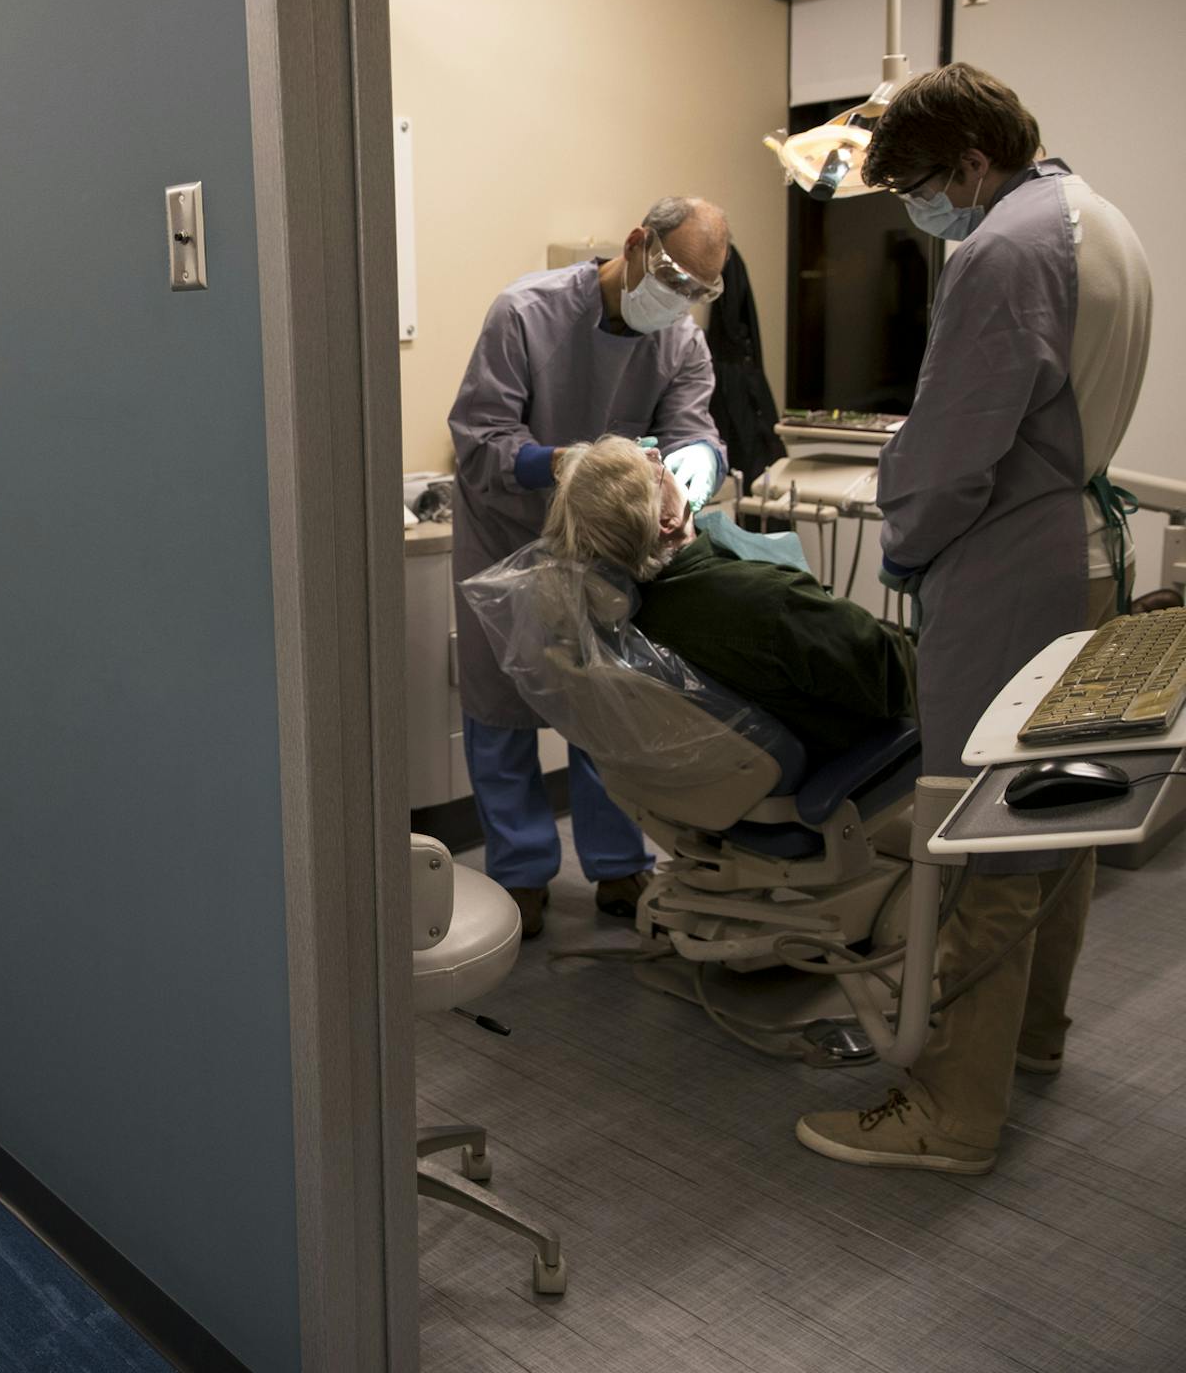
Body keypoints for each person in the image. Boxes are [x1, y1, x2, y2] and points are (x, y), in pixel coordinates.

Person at [794, 64, 1152, 1173]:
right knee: (1058, 816)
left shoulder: (1001, 248)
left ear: (974, 163)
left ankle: (951, 1106)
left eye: (916, 189)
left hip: (1010, 568)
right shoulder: (1100, 219)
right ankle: (1029, 1037)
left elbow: (950, 451)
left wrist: (901, 539)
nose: (918, 214)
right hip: (1089, 553)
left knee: (983, 836)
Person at [449, 196, 730, 937]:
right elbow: (479, 441)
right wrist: (559, 462)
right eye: (673, 279)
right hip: (509, 534)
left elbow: (694, 427)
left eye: (699, 292)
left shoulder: (680, 339)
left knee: (608, 705)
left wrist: (696, 468)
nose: (680, 302)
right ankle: (519, 875)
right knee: (501, 709)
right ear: (637, 245)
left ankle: (616, 866)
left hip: (605, 547)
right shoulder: (525, 313)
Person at [541, 438, 917, 747]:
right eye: (654, 467)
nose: (658, 453)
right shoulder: (774, 602)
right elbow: (904, 679)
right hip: (849, 747)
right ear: (667, 521)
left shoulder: (619, 615)